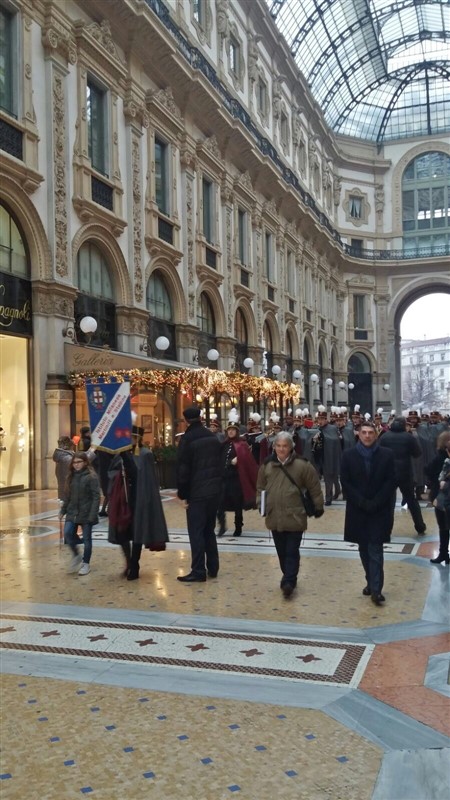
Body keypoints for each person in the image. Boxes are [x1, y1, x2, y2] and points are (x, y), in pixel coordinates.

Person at [256, 431, 324, 598]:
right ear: (274, 447)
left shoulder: (302, 465)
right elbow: (260, 487)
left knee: (292, 550)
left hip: (295, 515)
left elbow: (314, 486)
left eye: (285, 446)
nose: (281, 449)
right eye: (278, 446)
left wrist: (318, 505)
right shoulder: (267, 465)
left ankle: (289, 581)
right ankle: (288, 575)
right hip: (275, 515)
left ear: (291, 447)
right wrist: (260, 503)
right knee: (281, 550)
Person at [340, 421, 396, 606]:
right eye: (364, 432)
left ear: (376, 434)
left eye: (371, 432)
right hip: (358, 509)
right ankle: (370, 581)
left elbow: (390, 481)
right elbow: (346, 482)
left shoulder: (387, 455)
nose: (367, 436)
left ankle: (376, 589)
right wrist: (362, 501)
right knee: (364, 548)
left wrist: (376, 502)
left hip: (379, 510)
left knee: (375, 549)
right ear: (358, 434)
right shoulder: (348, 455)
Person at [107, 426, 168, 580]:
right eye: (129, 437)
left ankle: (134, 564)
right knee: (122, 532)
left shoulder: (145, 454)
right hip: (123, 498)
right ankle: (128, 561)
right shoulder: (120, 454)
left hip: (139, 497)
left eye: (133, 437)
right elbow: (111, 472)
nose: (131, 440)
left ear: (139, 438)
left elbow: (146, 477)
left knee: (137, 532)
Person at [176, 406, 222, 582]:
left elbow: (183, 470)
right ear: (201, 418)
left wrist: (183, 493)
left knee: (196, 532)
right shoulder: (212, 437)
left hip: (197, 493)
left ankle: (198, 571)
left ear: (186, 420)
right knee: (209, 529)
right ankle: (213, 567)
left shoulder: (187, 439)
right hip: (214, 491)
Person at [379, 416, 426, 535]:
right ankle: (420, 526)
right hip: (405, 473)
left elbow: (378, 452)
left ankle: (386, 529)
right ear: (404, 425)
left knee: (389, 502)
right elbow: (417, 453)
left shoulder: (384, 436)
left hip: (388, 473)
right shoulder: (408, 437)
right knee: (411, 500)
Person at [60, 452, 101, 576]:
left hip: (86, 512)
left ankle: (86, 563)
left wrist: (93, 514)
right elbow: (67, 496)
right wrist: (63, 510)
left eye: (79, 462)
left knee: (87, 539)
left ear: (85, 462)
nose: (76, 465)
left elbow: (96, 497)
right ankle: (76, 555)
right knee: (67, 533)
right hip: (73, 511)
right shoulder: (71, 477)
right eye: (74, 462)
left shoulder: (91, 477)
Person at [217, 421, 258, 537]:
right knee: (219, 503)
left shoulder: (242, 445)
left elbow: (247, 461)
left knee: (237, 504)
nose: (230, 431)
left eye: (233, 430)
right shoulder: (223, 444)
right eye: (229, 430)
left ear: (236, 431)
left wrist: (237, 460)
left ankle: (238, 527)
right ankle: (222, 526)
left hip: (236, 479)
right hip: (224, 478)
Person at [425, 431, 450, 564]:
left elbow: (427, 470)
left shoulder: (439, 457)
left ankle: (444, 553)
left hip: (441, 497)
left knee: (443, 526)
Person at [52, 436, 75, 501]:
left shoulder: (62, 457)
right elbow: (78, 464)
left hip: (64, 494)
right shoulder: (66, 457)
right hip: (68, 495)